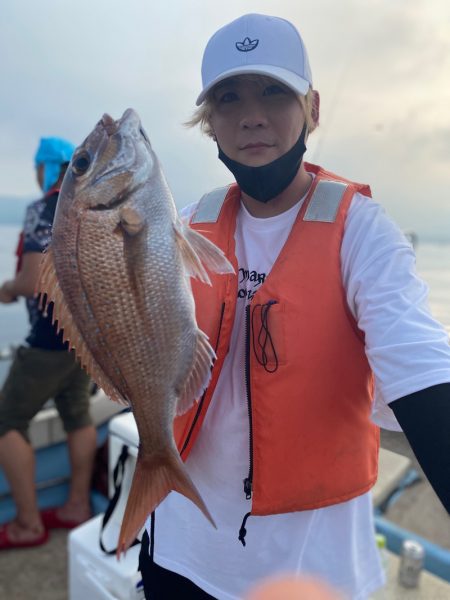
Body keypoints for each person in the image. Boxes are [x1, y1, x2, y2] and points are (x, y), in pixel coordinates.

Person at [138, 13, 450, 600]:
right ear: (209, 124)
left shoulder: (363, 232)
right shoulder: (185, 226)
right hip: (178, 546)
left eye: (274, 92)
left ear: (312, 107)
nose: (252, 115)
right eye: (229, 97)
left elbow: (421, 365)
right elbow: (136, 332)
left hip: (307, 569)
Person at [0, 137, 97, 549]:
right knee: (77, 416)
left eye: (38, 167)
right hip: (85, 341)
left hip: (48, 341)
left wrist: (6, 288)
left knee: (6, 422)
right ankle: (77, 505)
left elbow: (35, 281)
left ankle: (27, 523)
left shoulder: (44, 208)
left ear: (48, 167)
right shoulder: (86, 207)